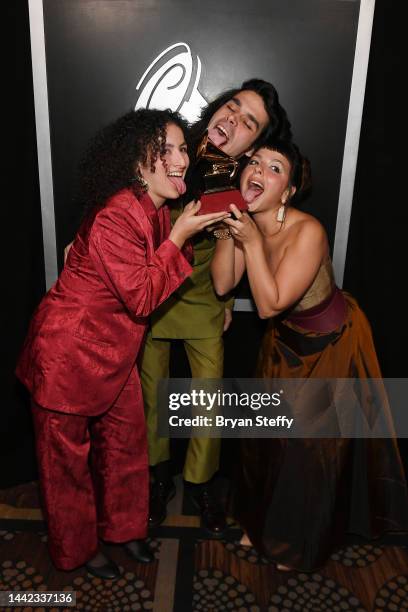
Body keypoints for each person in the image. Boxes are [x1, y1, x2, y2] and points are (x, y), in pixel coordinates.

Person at [16, 109, 229, 579]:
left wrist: (185, 231)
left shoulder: (152, 207)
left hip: (115, 350)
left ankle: (124, 531)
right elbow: (143, 296)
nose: (180, 160)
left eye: (181, 149)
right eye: (166, 151)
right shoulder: (117, 214)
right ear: (138, 164)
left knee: (127, 445)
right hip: (68, 353)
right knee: (65, 463)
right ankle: (76, 550)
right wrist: (179, 235)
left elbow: (159, 270)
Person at [210, 139, 408, 571]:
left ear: (288, 191)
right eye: (254, 161)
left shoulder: (308, 231)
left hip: (331, 346)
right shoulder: (247, 222)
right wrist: (229, 226)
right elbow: (224, 284)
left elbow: (267, 304)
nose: (259, 169)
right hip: (284, 343)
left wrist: (250, 239)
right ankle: (258, 524)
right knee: (265, 440)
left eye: (275, 167)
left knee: (308, 454)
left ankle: (296, 544)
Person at [141, 79, 293, 535]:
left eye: (250, 122)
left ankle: (202, 485)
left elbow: (241, 259)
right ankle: (156, 479)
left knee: (207, 401)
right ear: (215, 109)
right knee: (152, 396)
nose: (234, 120)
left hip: (206, 297)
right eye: (233, 107)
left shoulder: (245, 184)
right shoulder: (171, 147)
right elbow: (122, 202)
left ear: (254, 144)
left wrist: (226, 298)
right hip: (153, 294)